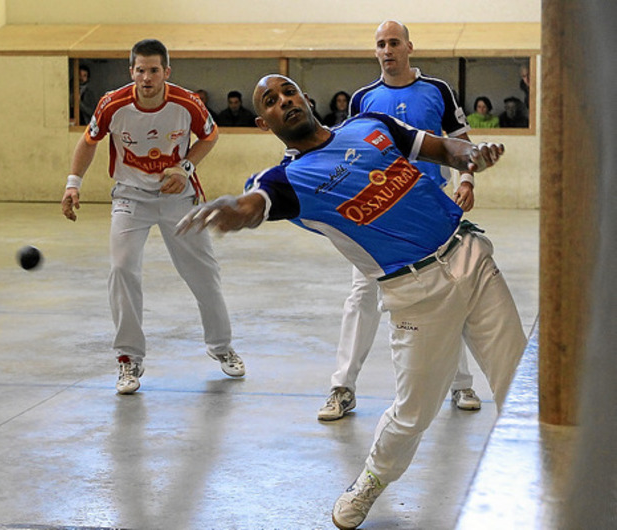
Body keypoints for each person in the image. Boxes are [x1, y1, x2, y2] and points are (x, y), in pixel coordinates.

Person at [176, 74, 526, 530]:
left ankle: (545, 476)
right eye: (271, 101)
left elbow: (446, 149)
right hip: (415, 293)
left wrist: (472, 155)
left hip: (470, 256)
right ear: (264, 122)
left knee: (518, 380)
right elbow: (254, 203)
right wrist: (235, 211)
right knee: (413, 414)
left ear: (305, 97)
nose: (285, 101)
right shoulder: (285, 179)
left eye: (288, 91)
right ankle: (371, 480)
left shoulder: (370, 124)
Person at [317, 20, 482, 422]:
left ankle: (461, 384)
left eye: (394, 42)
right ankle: (342, 388)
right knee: (362, 297)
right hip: (376, 216)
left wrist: (466, 180)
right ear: (375, 51)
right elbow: (351, 155)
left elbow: (460, 142)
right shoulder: (363, 99)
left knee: (446, 294)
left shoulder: (438, 90)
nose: (387, 50)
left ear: (409, 47)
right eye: (380, 44)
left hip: (428, 211)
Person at [60, 38, 245, 395]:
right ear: (131, 71)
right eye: (141, 70)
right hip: (130, 197)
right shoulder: (112, 104)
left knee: (203, 273)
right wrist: (72, 184)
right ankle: (128, 358)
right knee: (122, 269)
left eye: (154, 70)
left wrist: (185, 168)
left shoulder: (186, 103)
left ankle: (221, 346)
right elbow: (89, 141)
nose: (147, 77)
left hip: (179, 198)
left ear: (166, 72)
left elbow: (210, 135)